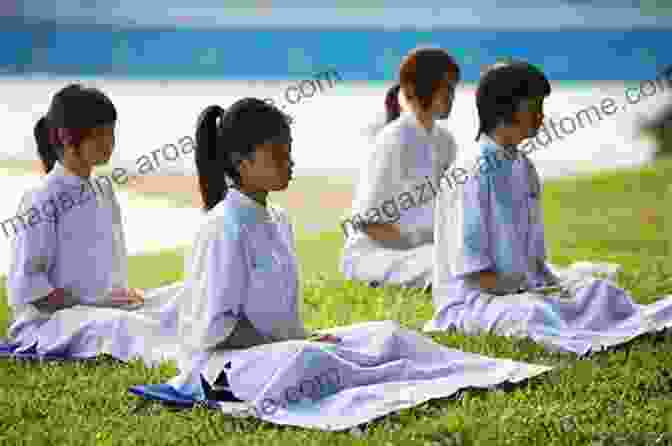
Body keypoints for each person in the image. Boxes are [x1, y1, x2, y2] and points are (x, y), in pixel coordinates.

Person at [156, 98, 549, 424]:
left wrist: (299, 335)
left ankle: (472, 372)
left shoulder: (278, 220)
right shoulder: (222, 227)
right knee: (313, 357)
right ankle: (407, 381)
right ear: (242, 162)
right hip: (223, 370)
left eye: (289, 151)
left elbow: (280, 319)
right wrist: (294, 340)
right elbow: (217, 329)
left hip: (279, 349)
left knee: (384, 333)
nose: (289, 162)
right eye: (277, 154)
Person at [425, 61, 672, 355]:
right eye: (535, 108)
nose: (542, 117)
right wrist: (529, 292)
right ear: (507, 109)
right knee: (533, 314)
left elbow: (535, 262)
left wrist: (558, 287)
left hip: (521, 292)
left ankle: (636, 324)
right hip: (473, 302)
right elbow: (475, 274)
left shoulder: (523, 167)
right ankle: (594, 337)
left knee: (599, 292)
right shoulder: (470, 172)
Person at [5, 84, 180, 360]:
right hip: (51, 323)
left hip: (105, 309)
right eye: (99, 134)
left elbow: (104, 281)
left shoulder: (103, 190)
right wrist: (97, 301)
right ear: (65, 137)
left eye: (111, 132)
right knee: (124, 326)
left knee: (183, 295)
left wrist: (115, 297)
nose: (109, 142)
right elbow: (30, 291)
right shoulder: (40, 198)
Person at [340, 47, 460, 290]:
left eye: (453, 88)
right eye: (445, 88)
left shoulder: (445, 142)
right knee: (445, 267)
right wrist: (421, 245)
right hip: (375, 254)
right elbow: (366, 222)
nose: (451, 97)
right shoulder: (393, 140)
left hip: (421, 251)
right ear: (417, 90)